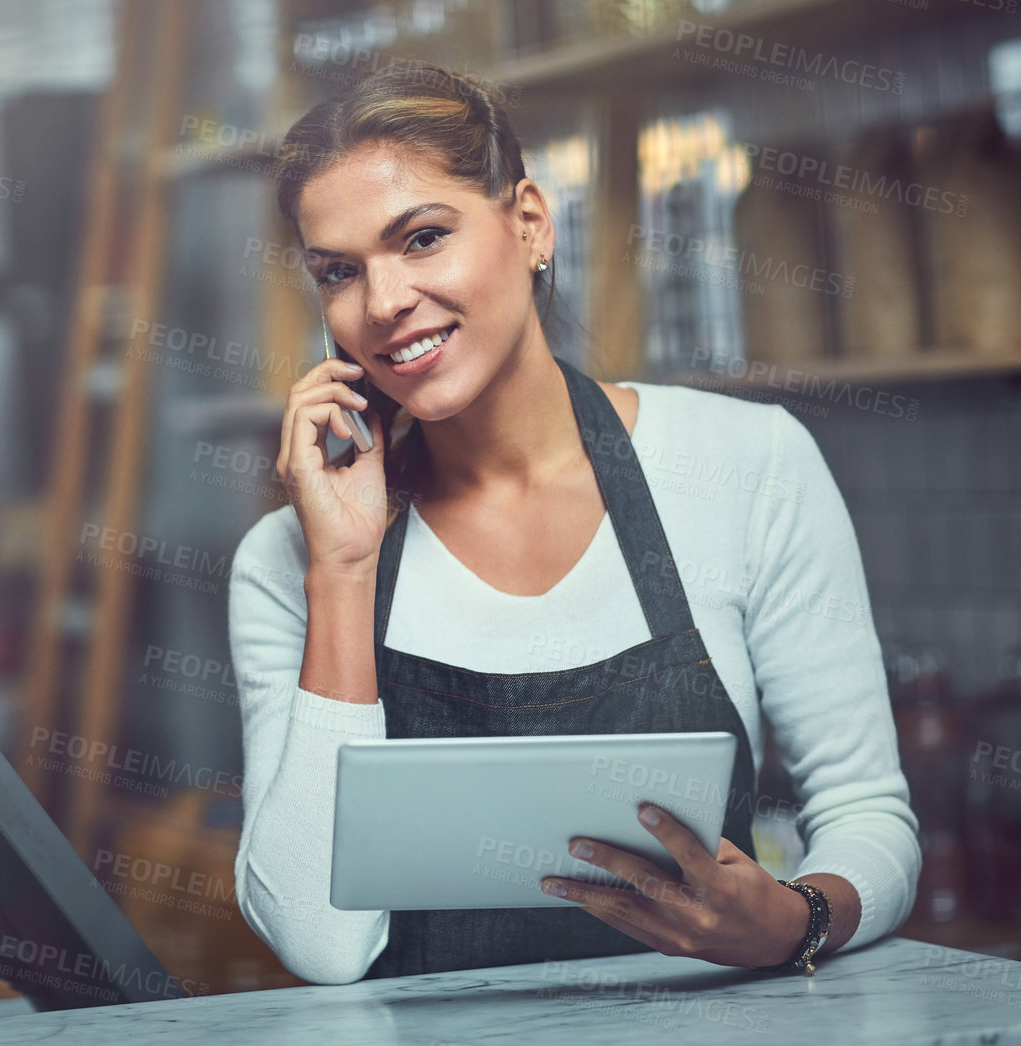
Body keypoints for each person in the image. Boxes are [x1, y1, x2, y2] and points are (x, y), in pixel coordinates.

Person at [227, 63, 921, 985]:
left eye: (424, 238)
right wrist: (344, 572)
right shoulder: (289, 562)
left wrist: (798, 922)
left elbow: (870, 813)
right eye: (339, 272)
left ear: (529, 222)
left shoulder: (747, 465)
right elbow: (319, 943)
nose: (384, 302)